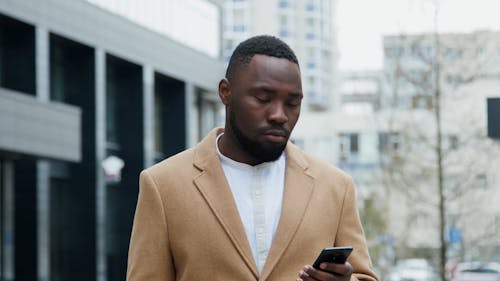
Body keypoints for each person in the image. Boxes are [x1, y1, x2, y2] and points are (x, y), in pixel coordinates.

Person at [127, 35, 378, 281]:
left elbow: (365, 276)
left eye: (292, 103)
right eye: (263, 98)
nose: (279, 115)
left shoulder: (336, 187)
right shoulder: (163, 185)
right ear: (226, 92)